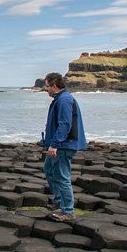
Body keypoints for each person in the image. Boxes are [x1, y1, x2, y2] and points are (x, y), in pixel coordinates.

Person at [41, 73, 87, 222]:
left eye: (47, 86)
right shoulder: (60, 99)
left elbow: (65, 124)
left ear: (54, 86)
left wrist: (54, 144)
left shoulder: (64, 100)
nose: (45, 89)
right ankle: (59, 200)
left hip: (64, 145)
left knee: (62, 176)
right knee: (49, 169)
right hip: (59, 144)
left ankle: (68, 211)